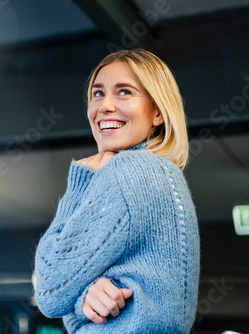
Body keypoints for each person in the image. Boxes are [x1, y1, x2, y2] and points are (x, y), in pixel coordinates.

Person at [34, 49, 200, 333]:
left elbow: (49, 289)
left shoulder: (132, 171)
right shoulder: (163, 174)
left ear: (158, 111)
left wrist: (78, 187)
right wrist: (83, 300)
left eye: (124, 92)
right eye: (98, 94)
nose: (105, 106)